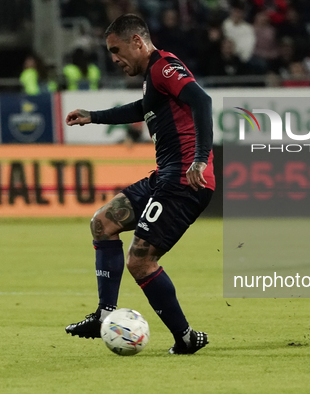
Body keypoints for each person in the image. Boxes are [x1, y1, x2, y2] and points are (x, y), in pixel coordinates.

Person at [64, 14, 214, 355]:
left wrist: (201, 158)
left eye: (116, 49)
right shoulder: (152, 78)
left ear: (137, 42)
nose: (114, 58)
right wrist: (94, 116)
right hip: (164, 177)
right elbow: (141, 108)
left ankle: (186, 337)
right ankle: (104, 313)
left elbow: (201, 101)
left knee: (140, 261)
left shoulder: (164, 66)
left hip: (184, 180)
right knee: (103, 223)